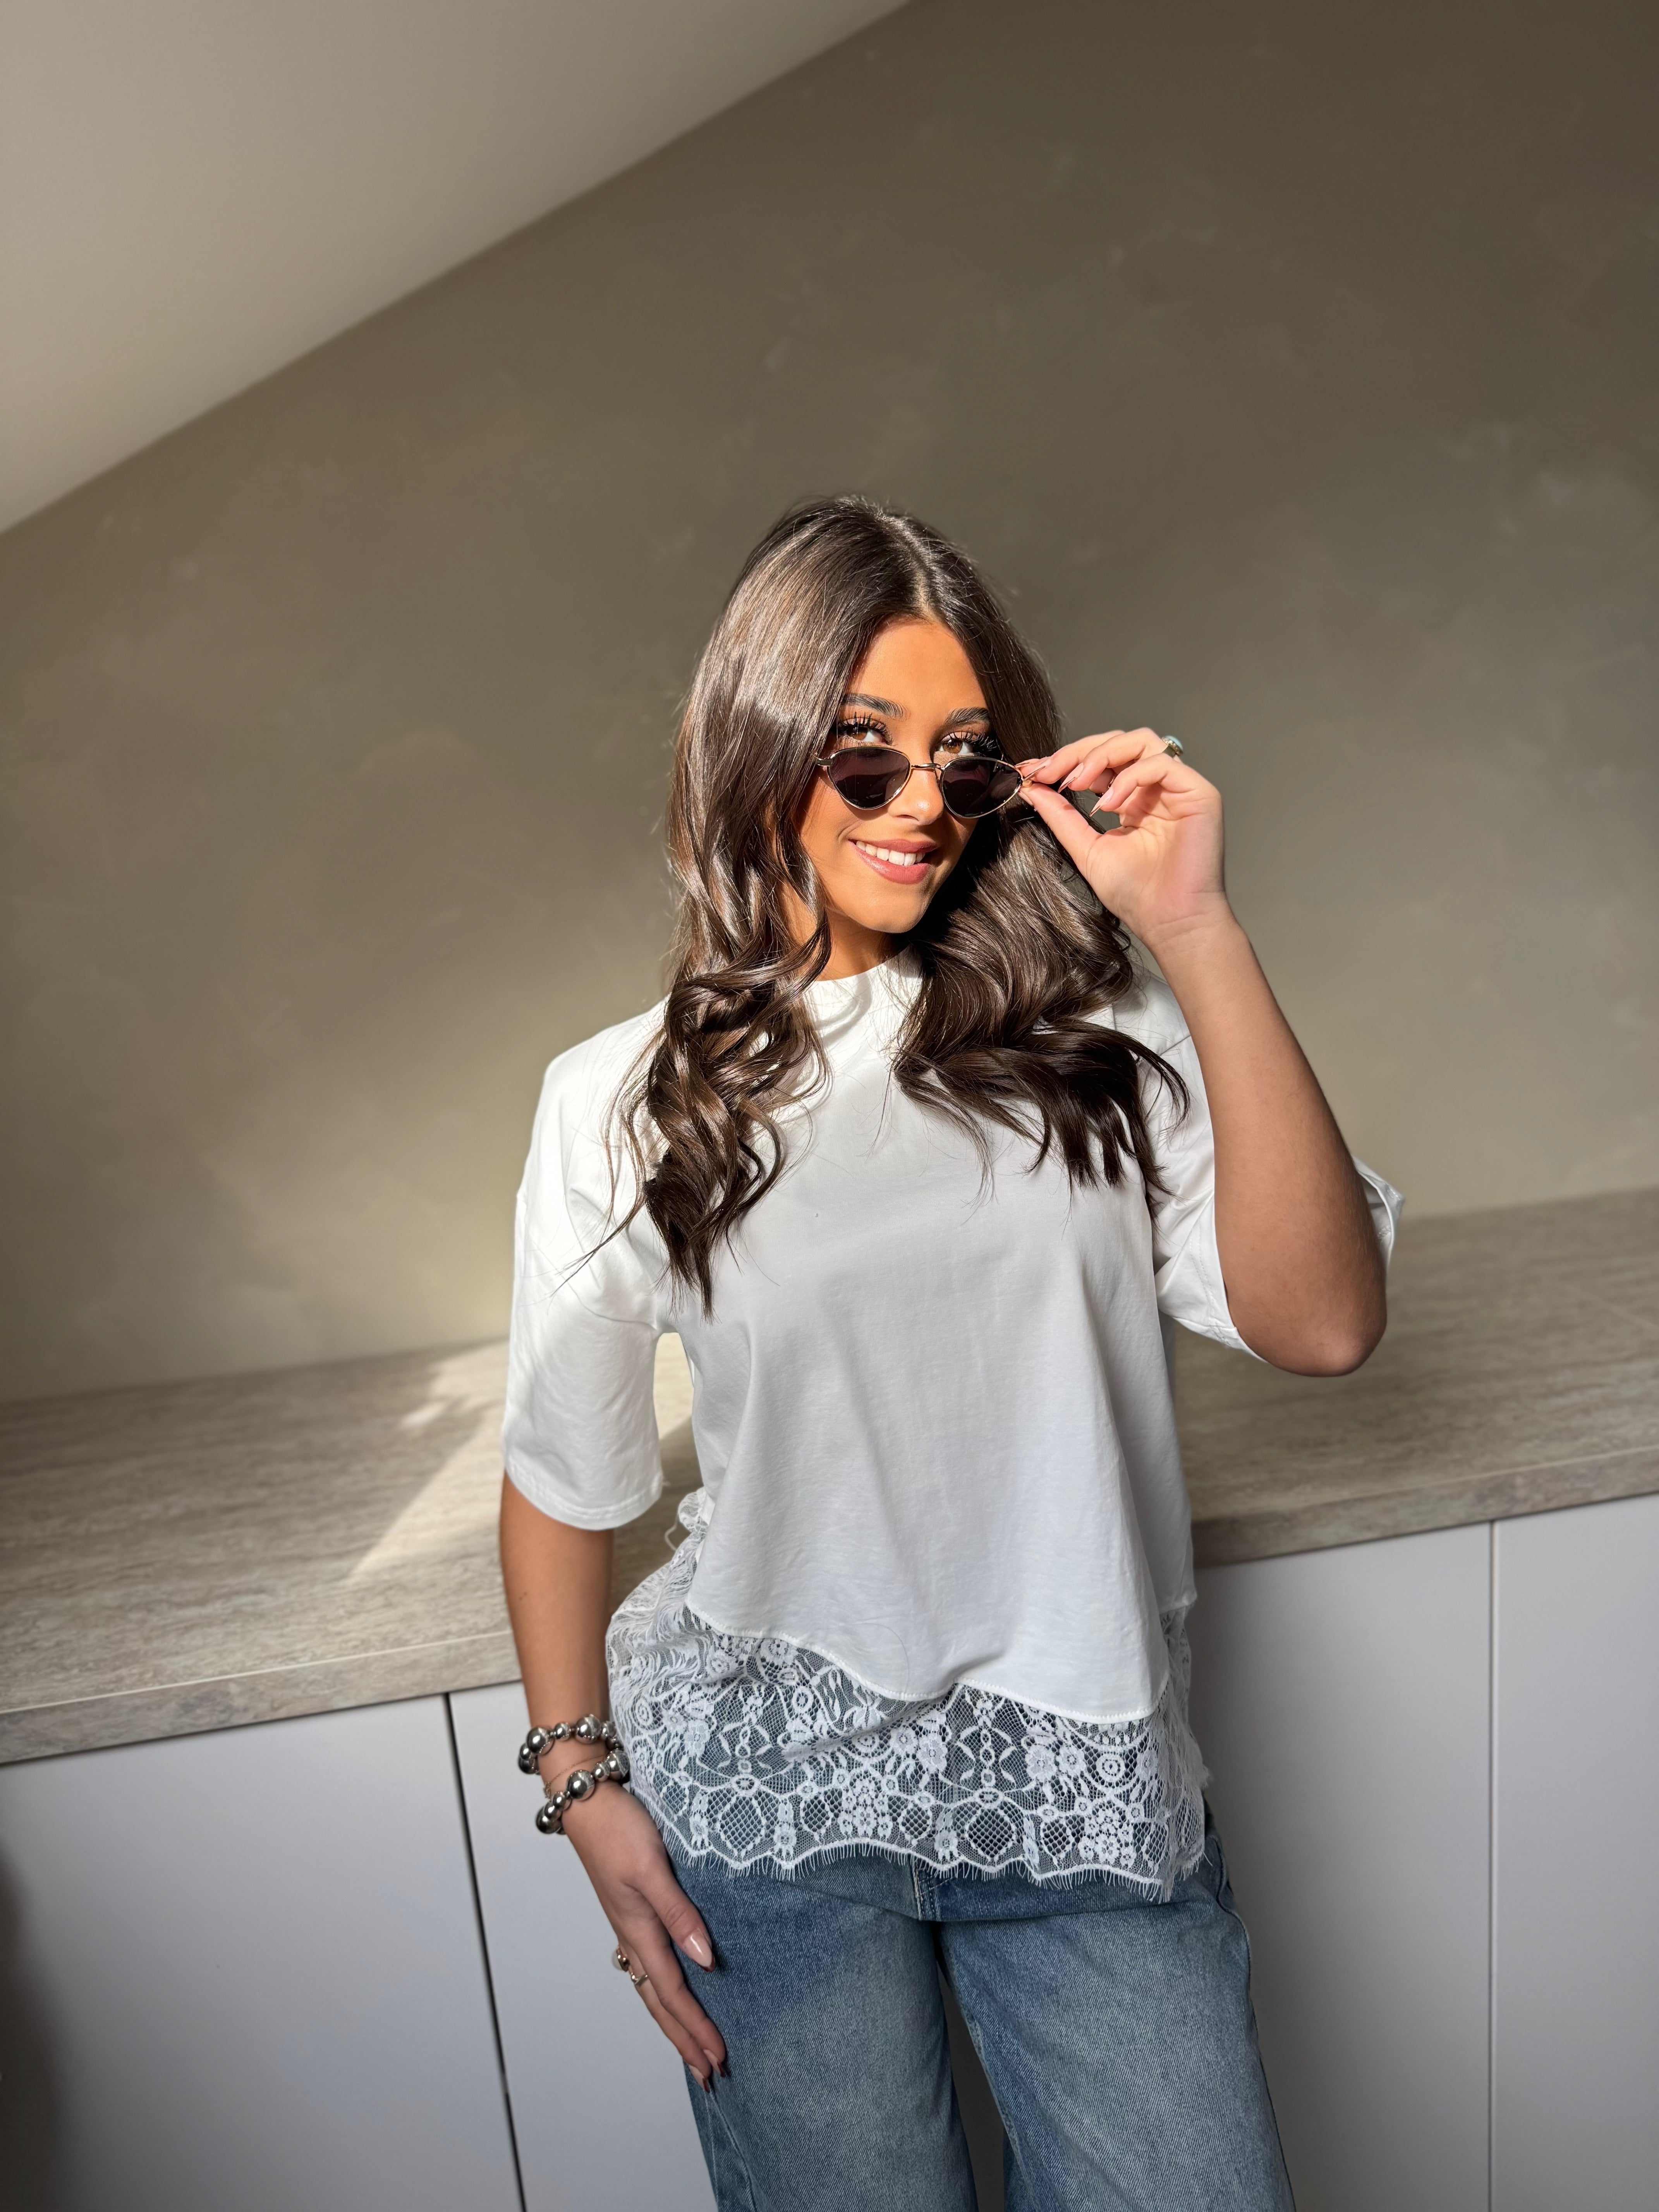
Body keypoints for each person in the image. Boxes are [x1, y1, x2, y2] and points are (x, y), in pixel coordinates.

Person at [498, 496, 1398, 2212]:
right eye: (865, 756)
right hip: (769, 1804)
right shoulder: (619, 1100)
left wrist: (1196, 931)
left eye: (964, 762)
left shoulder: (1098, 1035)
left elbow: (1325, 1323)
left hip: (1084, 1791)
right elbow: (563, 1476)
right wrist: (583, 1784)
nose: (919, 803)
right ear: (759, 752)